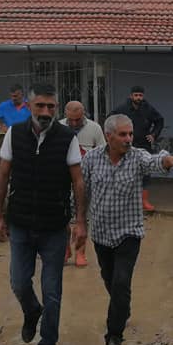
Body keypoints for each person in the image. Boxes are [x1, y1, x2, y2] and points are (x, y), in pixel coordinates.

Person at [0, 82, 87, 345]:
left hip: (54, 226)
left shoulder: (66, 137)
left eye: (50, 107)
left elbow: (78, 181)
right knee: (19, 282)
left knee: (52, 290)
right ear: (29, 107)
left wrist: (80, 222)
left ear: (56, 109)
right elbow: (2, 175)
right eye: (40, 106)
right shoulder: (14, 133)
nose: (45, 112)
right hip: (20, 223)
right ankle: (31, 311)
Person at [81, 114, 173, 345]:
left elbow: (155, 160)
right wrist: (79, 224)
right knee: (110, 281)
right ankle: (122, 308)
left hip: (129, 233)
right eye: (123, 135)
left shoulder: (136, 157)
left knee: (121, 282)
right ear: (108, 136)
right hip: (100, 234)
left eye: (130, 134)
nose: (129, 139)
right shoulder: (90, 160)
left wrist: (169, 160)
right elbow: (82, 192)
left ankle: (114, 337)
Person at [59, 100, 104, 268]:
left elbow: (102, 154)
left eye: (78, 119)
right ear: (65, 115)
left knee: (82, 217)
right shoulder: (57, 128)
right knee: (61, 217)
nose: (74, 123)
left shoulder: (95, 128)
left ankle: (80, 252)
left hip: (85, 180)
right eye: (71, 119)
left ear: (83, 114)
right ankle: (64, 249)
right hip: (61, 179)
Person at [112, 85, 165, 211]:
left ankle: (144, 201)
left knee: (145, 172)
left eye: (140, 95)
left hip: (144, 145)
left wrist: (154, 134)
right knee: (125, 171)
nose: (138, 98)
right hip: (126, 145)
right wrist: (117, 137)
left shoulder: (148, 108)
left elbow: (160, 120)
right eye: (136, 95)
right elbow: (111, 118)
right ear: (131, 96)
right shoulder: (122, 108)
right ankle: (125, 201)